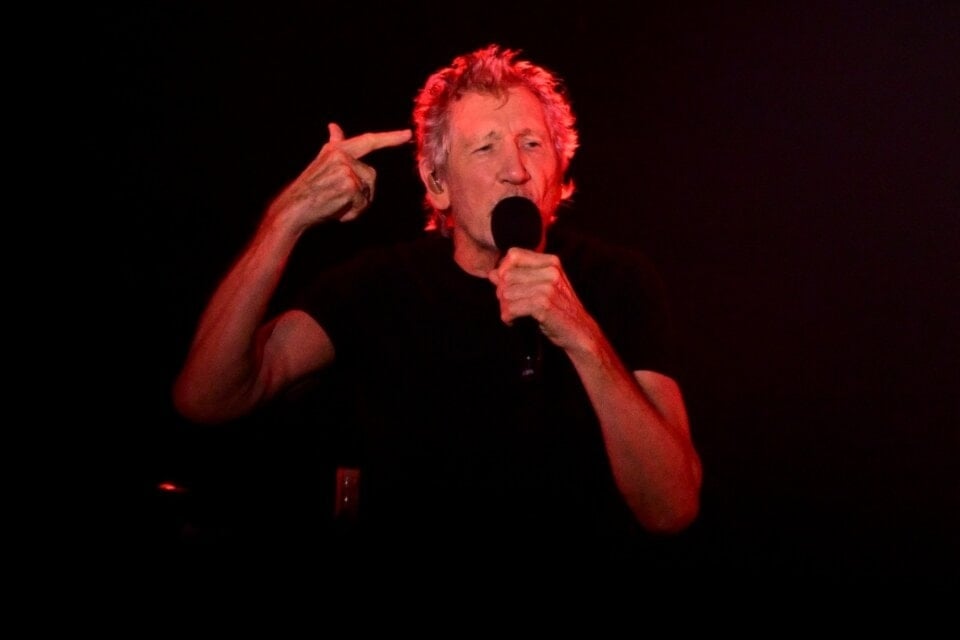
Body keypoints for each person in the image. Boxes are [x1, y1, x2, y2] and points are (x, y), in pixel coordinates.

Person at [172, 44, 702, 565]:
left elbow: (671, 508)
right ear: (436, 183)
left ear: (561, 173)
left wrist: (582, 335)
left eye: (532, 144)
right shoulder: (378, 287)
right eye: (485, 147)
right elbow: (209, 397)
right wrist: (286, 218)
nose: (515, 169)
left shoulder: (619, 282)